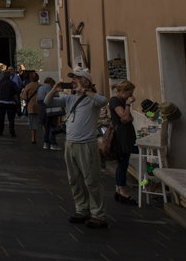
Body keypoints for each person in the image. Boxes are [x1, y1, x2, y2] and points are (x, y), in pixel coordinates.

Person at [43, 66, 109, 228]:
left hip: (87, 144)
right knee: (75, 179)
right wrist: (54, 89)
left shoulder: (92, 100)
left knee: (92, 180)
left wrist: (85, 92)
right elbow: (47, 101)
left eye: (76, 79)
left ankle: (98, 214)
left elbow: (104, 101)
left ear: (85, 82)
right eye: (73, 79)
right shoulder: (69, 99)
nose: (73, 81)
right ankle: (82, 209)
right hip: (70, 143)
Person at [109, 80, 138, 205]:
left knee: (123, 163)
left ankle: (119, 189)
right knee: (123, 163)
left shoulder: (119, 101)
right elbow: (125, 118)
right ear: (123, 91)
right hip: (122, 136)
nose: (131, 95)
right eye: (130, 92)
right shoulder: (115, 101)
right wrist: (128, 105)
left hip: (125, 135)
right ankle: (122, 190)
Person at [0, 69, 20, 137]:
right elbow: (17, 91)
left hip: (1, 101)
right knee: (11, 118)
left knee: (1, 117)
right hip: (10, 102)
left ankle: (0, 130)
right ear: (9, 76)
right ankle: (12, 131)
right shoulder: (12, 83)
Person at [37, 77, 60, 150]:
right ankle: (53, 143)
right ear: (51, 83)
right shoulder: (49, 88)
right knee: (52, 126)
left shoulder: (40, 88)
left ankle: (46, 143)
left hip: (41, 109)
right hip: (49, 108)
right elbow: (50, 98)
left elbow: (37, 99)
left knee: (46, 127)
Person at [21, 71, 41, 144]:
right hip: (40, 106)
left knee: (32, 123)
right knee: (42, 122)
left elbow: (24, 96)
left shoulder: (28, 86)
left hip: (31, 106)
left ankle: (33, 138)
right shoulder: (40, 86)